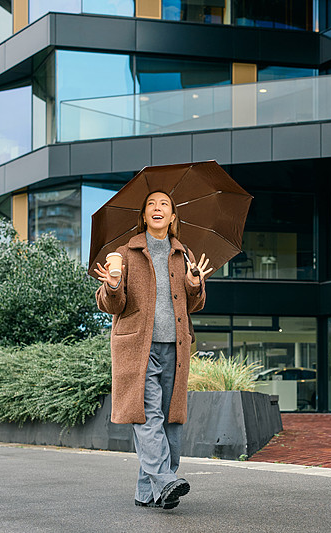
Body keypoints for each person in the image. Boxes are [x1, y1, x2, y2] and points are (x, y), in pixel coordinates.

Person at [94, 190, 211, 509]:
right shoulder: (125, 253)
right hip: (137, 348)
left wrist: (194, 283)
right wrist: (113, 285)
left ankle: (150, 490)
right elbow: (111, 304)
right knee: (148, 417)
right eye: (151, 204)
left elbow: (194, 305)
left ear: (173, 217)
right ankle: (166, 480)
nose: (157, 208)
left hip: (176, 347)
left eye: (164, 205)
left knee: (172, 422)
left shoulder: (183, 254)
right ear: (144, 216)